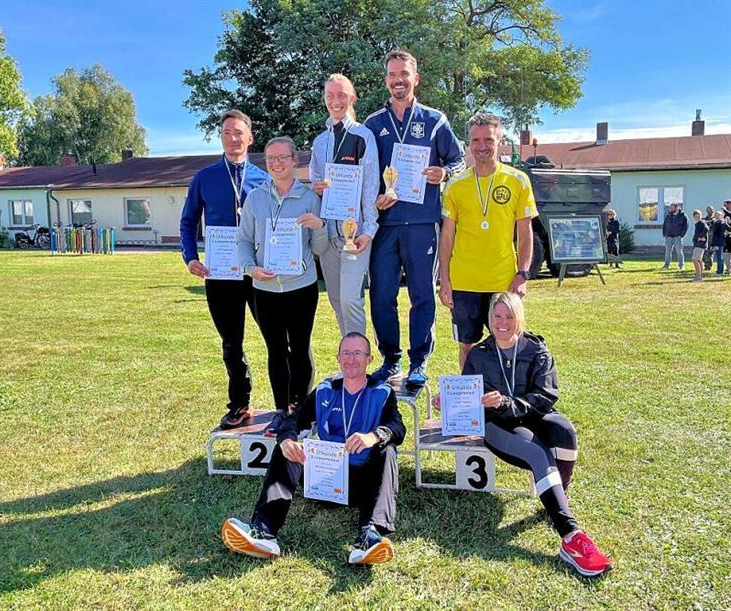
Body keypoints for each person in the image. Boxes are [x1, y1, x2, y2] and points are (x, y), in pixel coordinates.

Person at [434, 292, 612, 577]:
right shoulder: (479, 354)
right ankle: (570, 536)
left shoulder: (537, 349)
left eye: (509, 316)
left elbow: (545, 396)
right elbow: (467, 397)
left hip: (532, 411)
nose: (502, 323)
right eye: (497, 316)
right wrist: (448, 402)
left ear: (520, 318)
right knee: (536, 451)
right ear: (489, 319)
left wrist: (507, 401)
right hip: (498, 424)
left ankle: (556, 496)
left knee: (565, 432)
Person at [221, 332, 406, 565]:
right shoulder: (325, 391)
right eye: (346, 353)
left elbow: (397, 428)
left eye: (358, 353)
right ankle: (264, 532)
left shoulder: (382, 392)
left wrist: (374, 436)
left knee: (387, 449)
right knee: (286, 448)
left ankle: (370, 537)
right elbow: (293, 421)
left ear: (369, 360)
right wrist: (287, 439)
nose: (351, 359)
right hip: (325, 483)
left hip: (363, 485)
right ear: (338, 358)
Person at [364, 49, 465, 386]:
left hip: (422, 222)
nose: (398, 80)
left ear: (415, 78)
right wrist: (373, 198)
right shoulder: (373, 124)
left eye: (404, 74)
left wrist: (444, 173)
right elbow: (364, 174)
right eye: (392, 75)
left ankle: (419, 361)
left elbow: (459, 161)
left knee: (422, 293)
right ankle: (390, 359)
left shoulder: (435, 120)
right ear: (386, 80)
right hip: (386, 224)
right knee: (382, 294)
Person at [179, 110, 270, 429]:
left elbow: (274, 224)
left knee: (275, 338)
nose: (233, 138)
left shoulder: (264, 178)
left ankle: (289, 403)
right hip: (219, 275)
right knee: (232, 342)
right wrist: (190, 257)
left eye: (238, 132)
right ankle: (240, 404)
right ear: (222, 137)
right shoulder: (205, 178)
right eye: (227, 132)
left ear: (250, 137)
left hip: (257, 274)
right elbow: (188, 221)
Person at [237, 136, 329, 436]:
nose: (276, 163)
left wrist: (319, 227)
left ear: (294, 161)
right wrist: (251, 269)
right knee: (275, 350)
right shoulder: (255, 198)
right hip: (265, 289)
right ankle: (280, 410)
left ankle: (300, 410)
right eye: (270, 158)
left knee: (300, 349)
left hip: (301, 287)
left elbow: (319, 247)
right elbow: (244, 240)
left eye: (282, 158)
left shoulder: (309, 197)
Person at [438, 112, 537, 370]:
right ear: (468, 143)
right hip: (464, 282)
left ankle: (505, 402)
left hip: (502, 281)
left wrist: (522, 274)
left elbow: (525, 233)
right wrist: (445, 280)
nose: (482, 146)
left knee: (507, 342)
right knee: (467, 346)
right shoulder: (455, 185)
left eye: (488, 140)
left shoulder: (518, 181)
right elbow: (447, 236)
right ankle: (469, 405)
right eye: (476, 140)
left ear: (499, 140)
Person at [309, 74, 379, 336]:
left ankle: (360, 362)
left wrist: (368, 230)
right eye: (330, 96)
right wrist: (316, 187)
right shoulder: (320, 142)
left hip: (355, 234)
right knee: (336, 299)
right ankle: (349, 358)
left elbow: (371, 186)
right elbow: (316, 182)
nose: (335, 101)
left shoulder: (364, 136)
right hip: (328, 236)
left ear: (352, 98)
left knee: (351, 299)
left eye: (341, 95)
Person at [661, 203, 688, 270]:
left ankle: (681, 265)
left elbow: (685, 226)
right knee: (668, 252)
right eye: (670, 208)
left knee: (679, 251)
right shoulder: (668, 216)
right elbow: (664, 225)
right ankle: (666, 265)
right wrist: (664, 234)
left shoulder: (683, 216)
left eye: (672, 208)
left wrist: (681, 235)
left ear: (677, 208)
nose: (670, 209)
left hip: (677, 237)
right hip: (668, 236)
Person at [691, 209, 709, 282]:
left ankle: (698, 277)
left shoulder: (702, 222)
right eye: (696, 216)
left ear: (701, 216)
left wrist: (701, 237)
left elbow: (706, 229)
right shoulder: (698, 223)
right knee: (699, 260)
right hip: (698, 244)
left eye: (699, 216)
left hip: (700, 244)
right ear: (694, 217)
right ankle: (699, 275)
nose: (697, 217)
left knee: (695, 259)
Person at [709, 210, 727, 275]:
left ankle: (720, 271)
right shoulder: (719, 222)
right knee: (719, 257)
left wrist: (715, 244)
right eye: (716, 215)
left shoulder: (720, 223)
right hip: (719, 242)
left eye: (718, 215)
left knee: (719, 257)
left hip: (719, 242)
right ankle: (719, 270)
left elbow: (718, 234)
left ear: (721, 216)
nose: (716, 216)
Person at [702, 206, 715, 271]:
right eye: (709, 210)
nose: (711, 211)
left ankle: (708, 266)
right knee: (705, 253)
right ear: (707, 211)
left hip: (713, 239)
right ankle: (706, 264)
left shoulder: (715, 218)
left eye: (712, 210)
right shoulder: (704, 218)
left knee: (710, 253)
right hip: (706, 238)